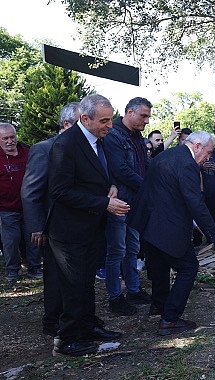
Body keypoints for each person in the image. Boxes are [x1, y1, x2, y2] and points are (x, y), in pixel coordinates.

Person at [47, 94, 128, 356]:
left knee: (86, 281)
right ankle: (67, 339)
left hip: (91, 227)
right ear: (85, 119)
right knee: (74, 284)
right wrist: (103, 203)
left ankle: (88, 325)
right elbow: (60, 191)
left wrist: (111, 187)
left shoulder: (98, 140)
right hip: (69, 231)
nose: (110, 126)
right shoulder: (66, 144)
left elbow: (97, 175)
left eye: (111, 119)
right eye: (104, 121)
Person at [128, 131, 215, 335]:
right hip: (167, 224)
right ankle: (170, 319)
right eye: (208, 152)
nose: (209, 157)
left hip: (149, 223)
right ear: (197, 146)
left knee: (159, 265)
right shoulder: (187, 164)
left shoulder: (167, 155)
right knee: (188, 268)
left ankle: (159, 305)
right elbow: (195, 203)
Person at [21, 102, 78, 336]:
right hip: (51, 226)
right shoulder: (44, 149)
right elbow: (30, 192)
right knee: (55, 275)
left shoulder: (84, 148)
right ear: (66, 124)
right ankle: (52, 320)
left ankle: (73, 316)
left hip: (77, 225)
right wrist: (37, 227)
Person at [103, 97, 153, 316]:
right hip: (119, 200)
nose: (147, 121)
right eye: (144, 115)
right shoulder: (113, 134)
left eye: (148, 116)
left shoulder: (137, 137)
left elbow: (145, 165)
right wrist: (147, 186)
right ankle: (115, 296)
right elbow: (120, 169)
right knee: (116, 250)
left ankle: (133, 289)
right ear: (130, 112)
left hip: (135, 201)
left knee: (132, 248)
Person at [0, 122, 38, 281]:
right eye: (5, 138)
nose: (10, 141)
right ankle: (12, 270)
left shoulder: (28, 153)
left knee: (33, 239)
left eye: (12, 137)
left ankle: (35, 267)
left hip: (30, 207)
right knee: (11, 241)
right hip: (7, 208)